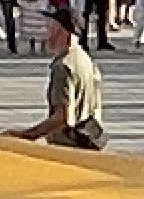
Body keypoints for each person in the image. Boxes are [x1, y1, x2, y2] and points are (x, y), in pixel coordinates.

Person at [13, 16, 105, 148]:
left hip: (69, 145)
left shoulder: (64, 66)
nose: (47, 36)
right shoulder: (87, 60)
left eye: (51, 29)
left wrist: (27, 135)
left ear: (64, 33)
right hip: (89, 141)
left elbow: (63, 118)